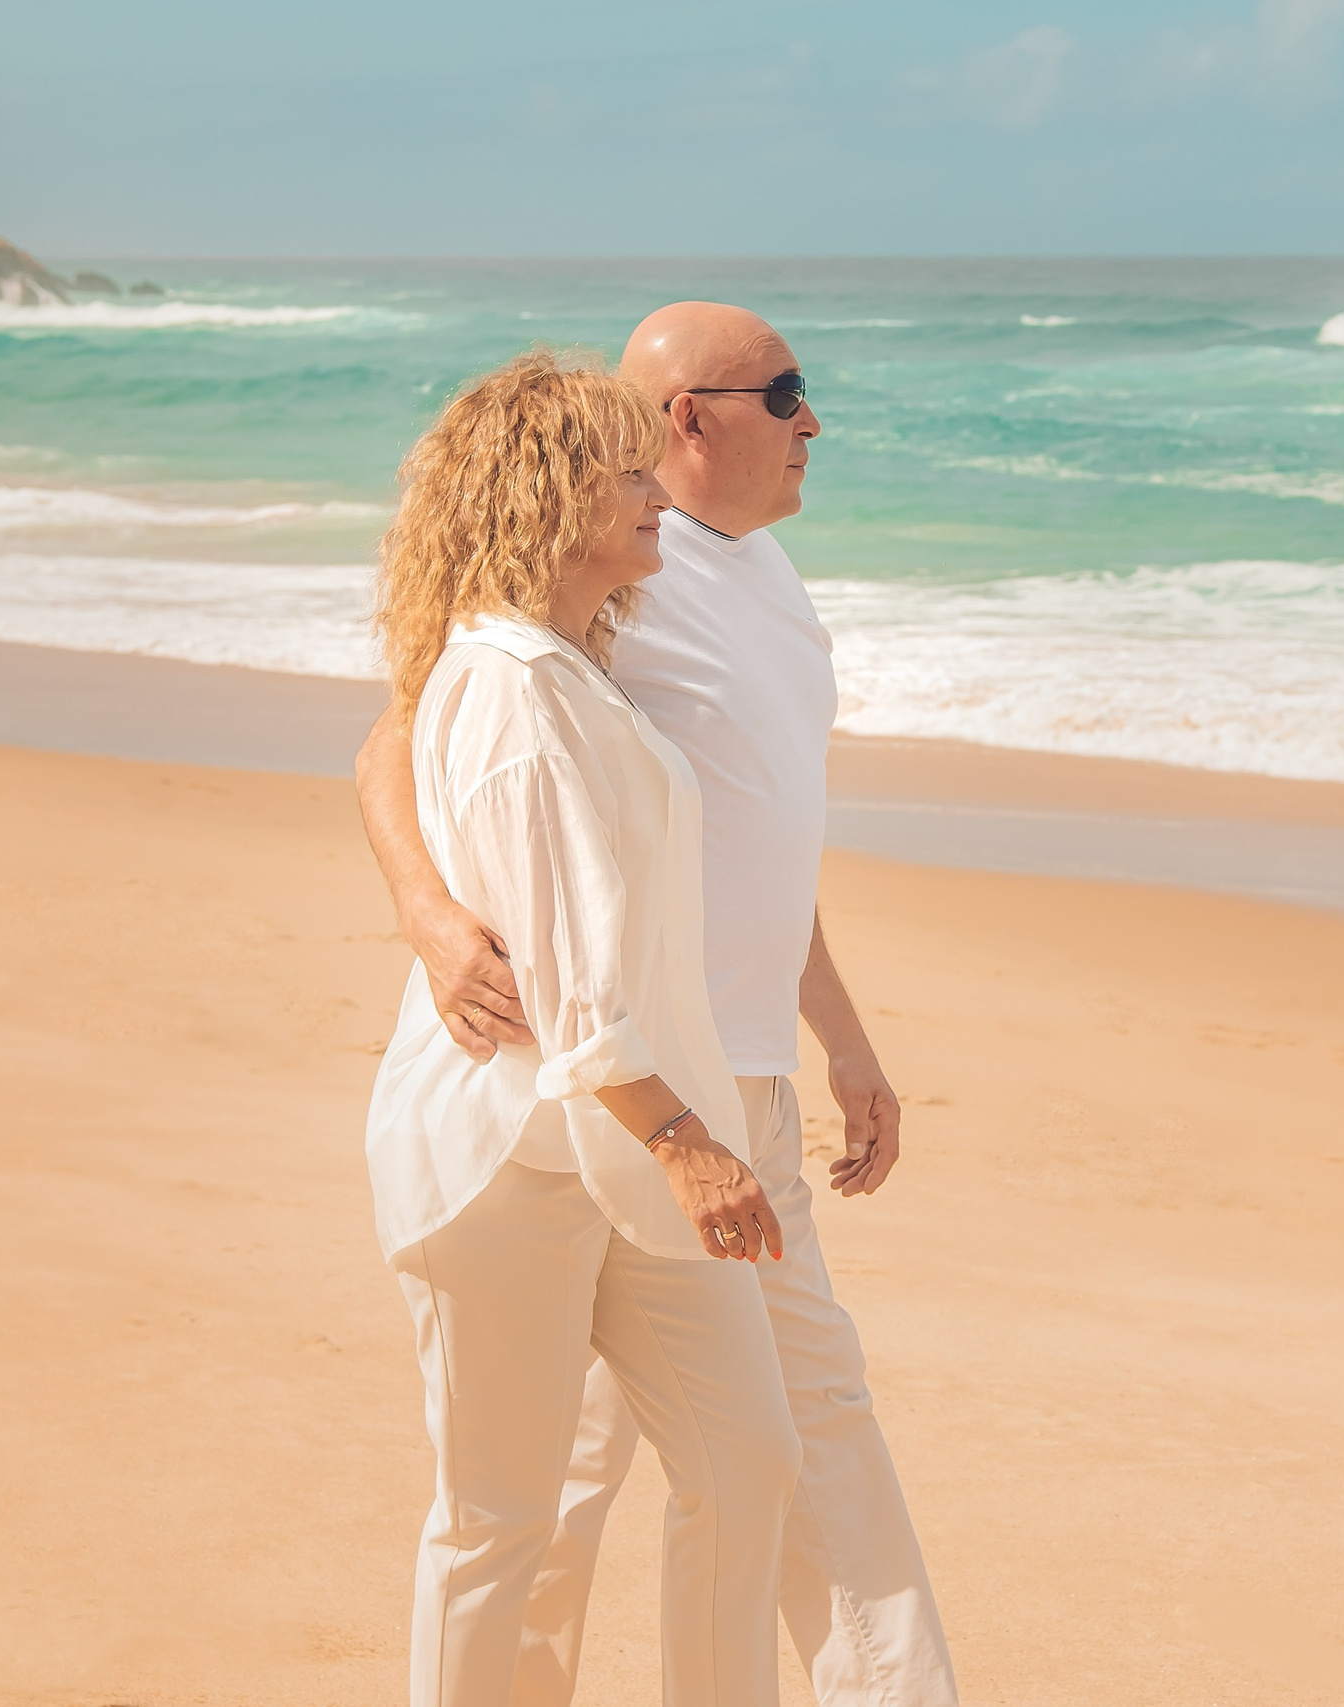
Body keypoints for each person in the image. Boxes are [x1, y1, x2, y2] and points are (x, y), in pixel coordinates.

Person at [356, 303, 960, 1706]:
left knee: (782, 1439)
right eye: (789, 393)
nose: (817, 424)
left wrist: (845, 1039)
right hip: (609, 1102)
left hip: (718, 1074)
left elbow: (749, 837)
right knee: (553, 1490)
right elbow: (402, 732)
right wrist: (430, 921)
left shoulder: (763, 578)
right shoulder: (593, 580)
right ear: (690, 416)